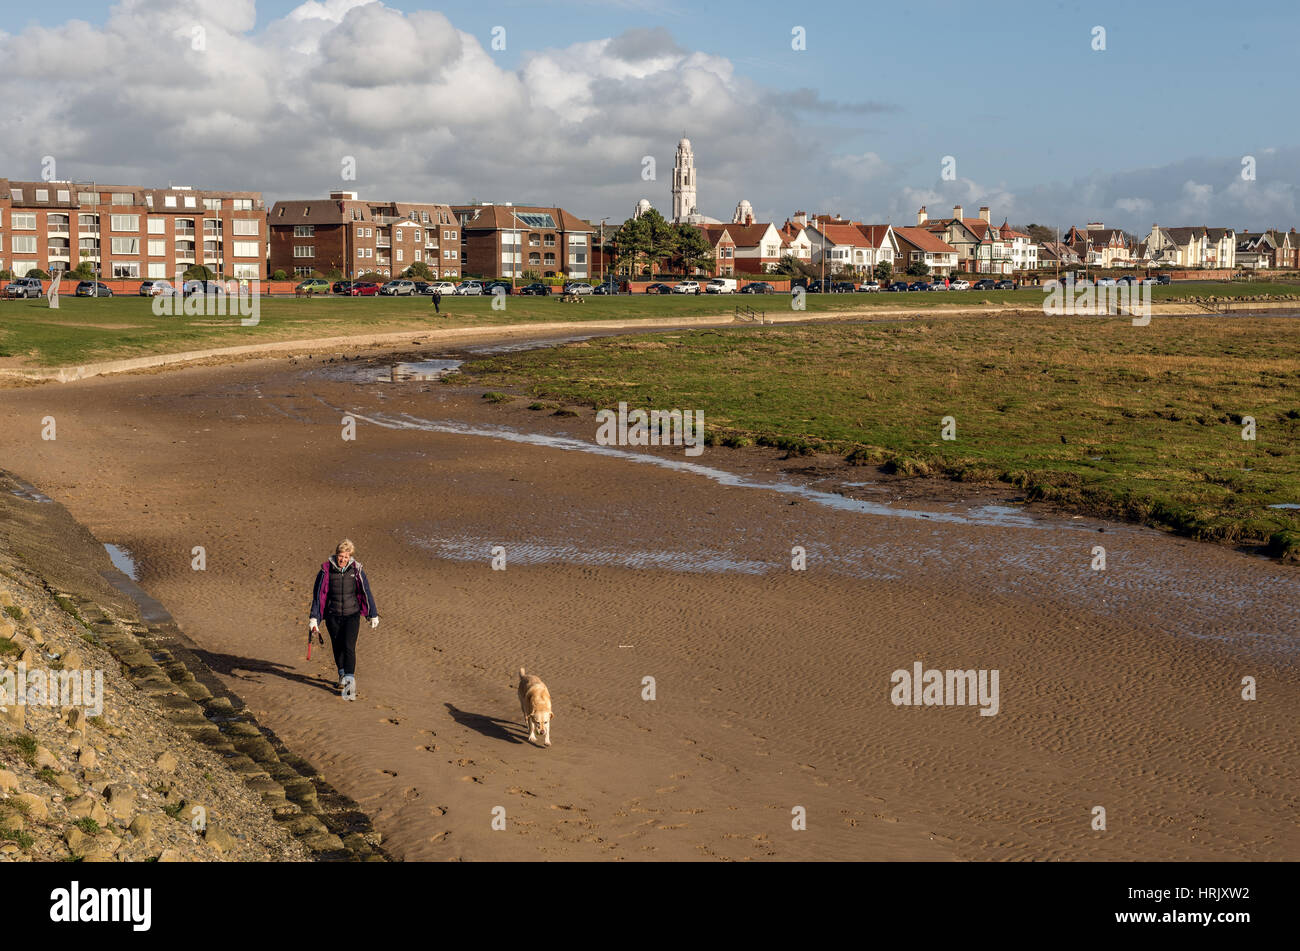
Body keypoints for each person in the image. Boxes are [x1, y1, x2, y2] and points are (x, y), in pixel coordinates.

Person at [308, 539, 379, 700]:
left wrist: (372, 614)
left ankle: (349, 684)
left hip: (352, 615)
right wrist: (314, 619)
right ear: (336, 555)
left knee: (349, 647)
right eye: (341, 556)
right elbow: (318, 597)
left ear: (350, 557)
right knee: (337, 646)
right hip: (333, 615)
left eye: (346, 557)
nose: (343, 560)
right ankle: (341, 673)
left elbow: (365, 592)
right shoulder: (325, 571)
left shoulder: (357, 570)